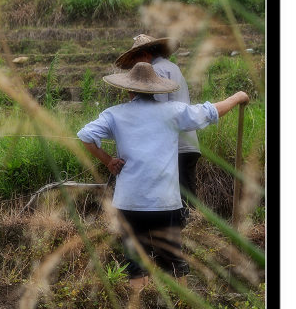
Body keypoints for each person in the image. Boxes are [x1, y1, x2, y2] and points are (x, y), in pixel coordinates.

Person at [77, 62, 249, 289]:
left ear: (129, 90)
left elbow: (85, 135)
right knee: (173, 260)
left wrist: (108, 161)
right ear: (157, 90)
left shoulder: (115, 114)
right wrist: (237, 96)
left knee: (135, 262)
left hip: (130, 202)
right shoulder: (173, 111)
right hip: (164, 202)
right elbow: (210, 112)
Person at [115, 34, 200, 222]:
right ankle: (191, 230)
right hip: (187, 142)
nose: (137, 67)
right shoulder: (173, 67)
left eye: (137, 60)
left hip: (174, 145)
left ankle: (183, 230)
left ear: (145, 55)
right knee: (186, 191)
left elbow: (156, 112)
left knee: (176, 193)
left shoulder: (156, 71)